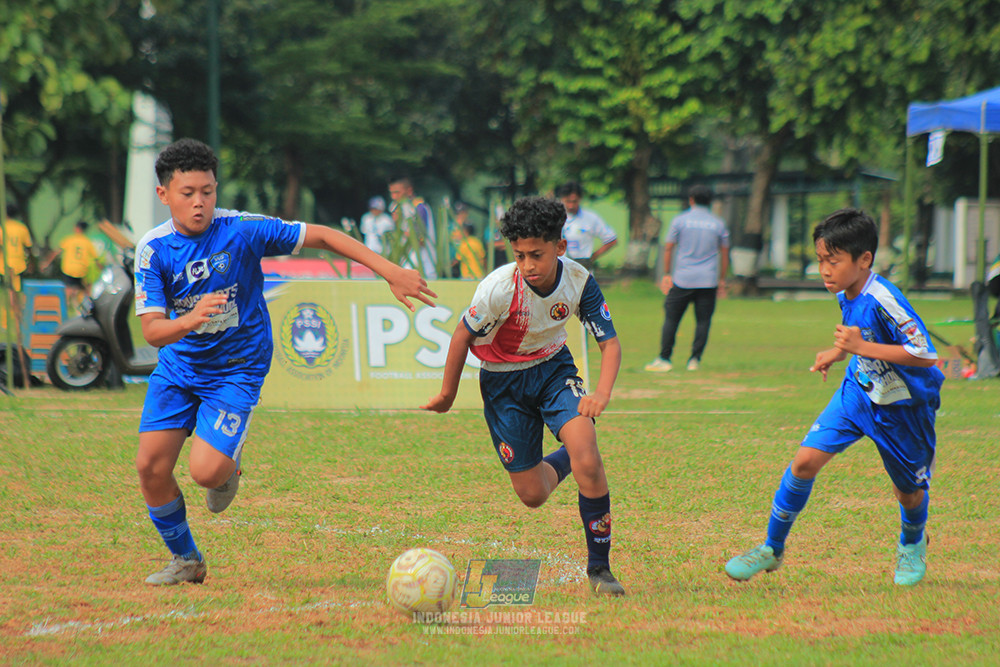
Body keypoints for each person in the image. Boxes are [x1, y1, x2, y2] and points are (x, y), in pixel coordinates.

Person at [134, 139, 436, 586]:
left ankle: (227, 467)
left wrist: (389, 270)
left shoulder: (241, 229)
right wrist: (192, 319)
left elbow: (323, 235)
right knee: (150, 468)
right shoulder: (153, 249)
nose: (200, 203)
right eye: (187, 193)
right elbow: (152, 332)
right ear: (164, 195)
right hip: (180, 366)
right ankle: (188, 561)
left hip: (238, 364)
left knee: (206, 473)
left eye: (208, 191)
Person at [724, 208, 944, 587]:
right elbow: (859, 334)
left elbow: (926, 354)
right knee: (804, 462)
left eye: (833, 261)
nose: (825, 270)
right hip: (858, 393)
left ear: (864, 260)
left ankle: (912, 541)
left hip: (905, 408)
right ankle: (772, 549)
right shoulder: (846, 289)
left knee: (908, 492)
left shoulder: (885, 297)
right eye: (821, 260)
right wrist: (841, 352)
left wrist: (861, 347)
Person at [421, 195, 626, 597]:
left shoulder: (579, 281)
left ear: (560, 248)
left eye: (537, 254)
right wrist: (447, 394)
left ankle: (600, 571)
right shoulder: (498, 289)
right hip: (503, 384)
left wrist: (600, 394)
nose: (528, 265)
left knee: (588, 452)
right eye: (520, 256)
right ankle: (572, 451)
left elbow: (610, 344)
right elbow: (463, 335)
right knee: (533, 495)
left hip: (553, 369)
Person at [644, 184, 729, 373]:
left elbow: (668, 247)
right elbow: (724, 252)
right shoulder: (718, 223)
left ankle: (665, 358)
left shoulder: (680, 220)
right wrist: (722, 279)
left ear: (691, 200)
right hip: (708, 280)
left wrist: (667, 273)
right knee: (703, 321)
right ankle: (694, 360)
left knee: (672, 318)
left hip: (683, 278)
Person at [555, 181, 617, 273]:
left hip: (583, 266)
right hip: (561, 267)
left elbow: (611, 239)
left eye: (574, 201)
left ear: (580, 199)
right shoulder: (556, 218)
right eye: (568, 201)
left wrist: (592, 257)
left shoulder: (590, 218)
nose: (571, 205)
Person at [43, 221, 100, 309]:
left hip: (69, 269)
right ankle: (85, 306)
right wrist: (102, 268)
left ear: (76, 228)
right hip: (81, 270)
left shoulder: (69, 239)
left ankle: (64, 307)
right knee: (82, 290)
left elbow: (56, 252)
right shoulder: (87, 242)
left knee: (68, 290)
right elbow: (96, 258)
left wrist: (47, 263)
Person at [388, 176, 437, 279]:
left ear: (409, 191)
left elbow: (420, 237)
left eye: (397, 192)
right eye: (392, 193)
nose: (394, 197)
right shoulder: (398, 207)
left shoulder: (419, 207)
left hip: (422, 259)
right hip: (406, 258)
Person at [1, 203, 34, 294]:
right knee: (16, 288)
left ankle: (13, 307)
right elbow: (28, 247)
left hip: (5, 261)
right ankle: (18, 306)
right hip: (19, 262)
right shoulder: (22, 228)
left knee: (9, 288)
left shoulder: (2, 228)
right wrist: (31, 262)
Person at [450, 203, 486, 280]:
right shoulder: (477, 242)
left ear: (465, 232)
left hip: (467, 275)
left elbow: (457, 259)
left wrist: (449, 266)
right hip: (479, 274)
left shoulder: (464, 243)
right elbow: (483, 257)